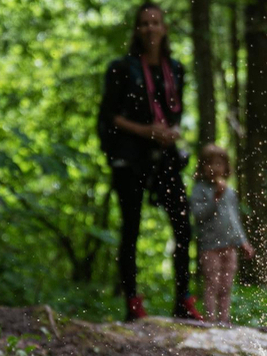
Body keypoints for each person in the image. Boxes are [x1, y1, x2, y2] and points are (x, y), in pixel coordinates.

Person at [97, 2, 202, 321]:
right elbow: (108, 117)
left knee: (183, 228)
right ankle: (132, 302)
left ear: (164, 28)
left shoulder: (176, 69)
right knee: (131, 228)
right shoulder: (121, 68)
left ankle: (183, 300)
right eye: (144, 23)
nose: (150, 28)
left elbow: (174, 111)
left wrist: (170, 133)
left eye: (155, 22)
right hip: (130, 159)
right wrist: (147, 131)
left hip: (165, 158)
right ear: (137, 30)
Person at [191, 145, 254, 325]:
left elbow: (234, 220)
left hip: (230, 245)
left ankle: (224, 321)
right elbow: (198, 214)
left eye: (219, 164)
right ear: (202, 167)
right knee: (212, 283)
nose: (214, 168)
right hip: (209, 246)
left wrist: (243, 242)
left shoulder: (230, 192)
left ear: (226, 167)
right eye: (209, 164)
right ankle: (210, 321)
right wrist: (214, 199)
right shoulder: (199, 189)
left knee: (226, 285)